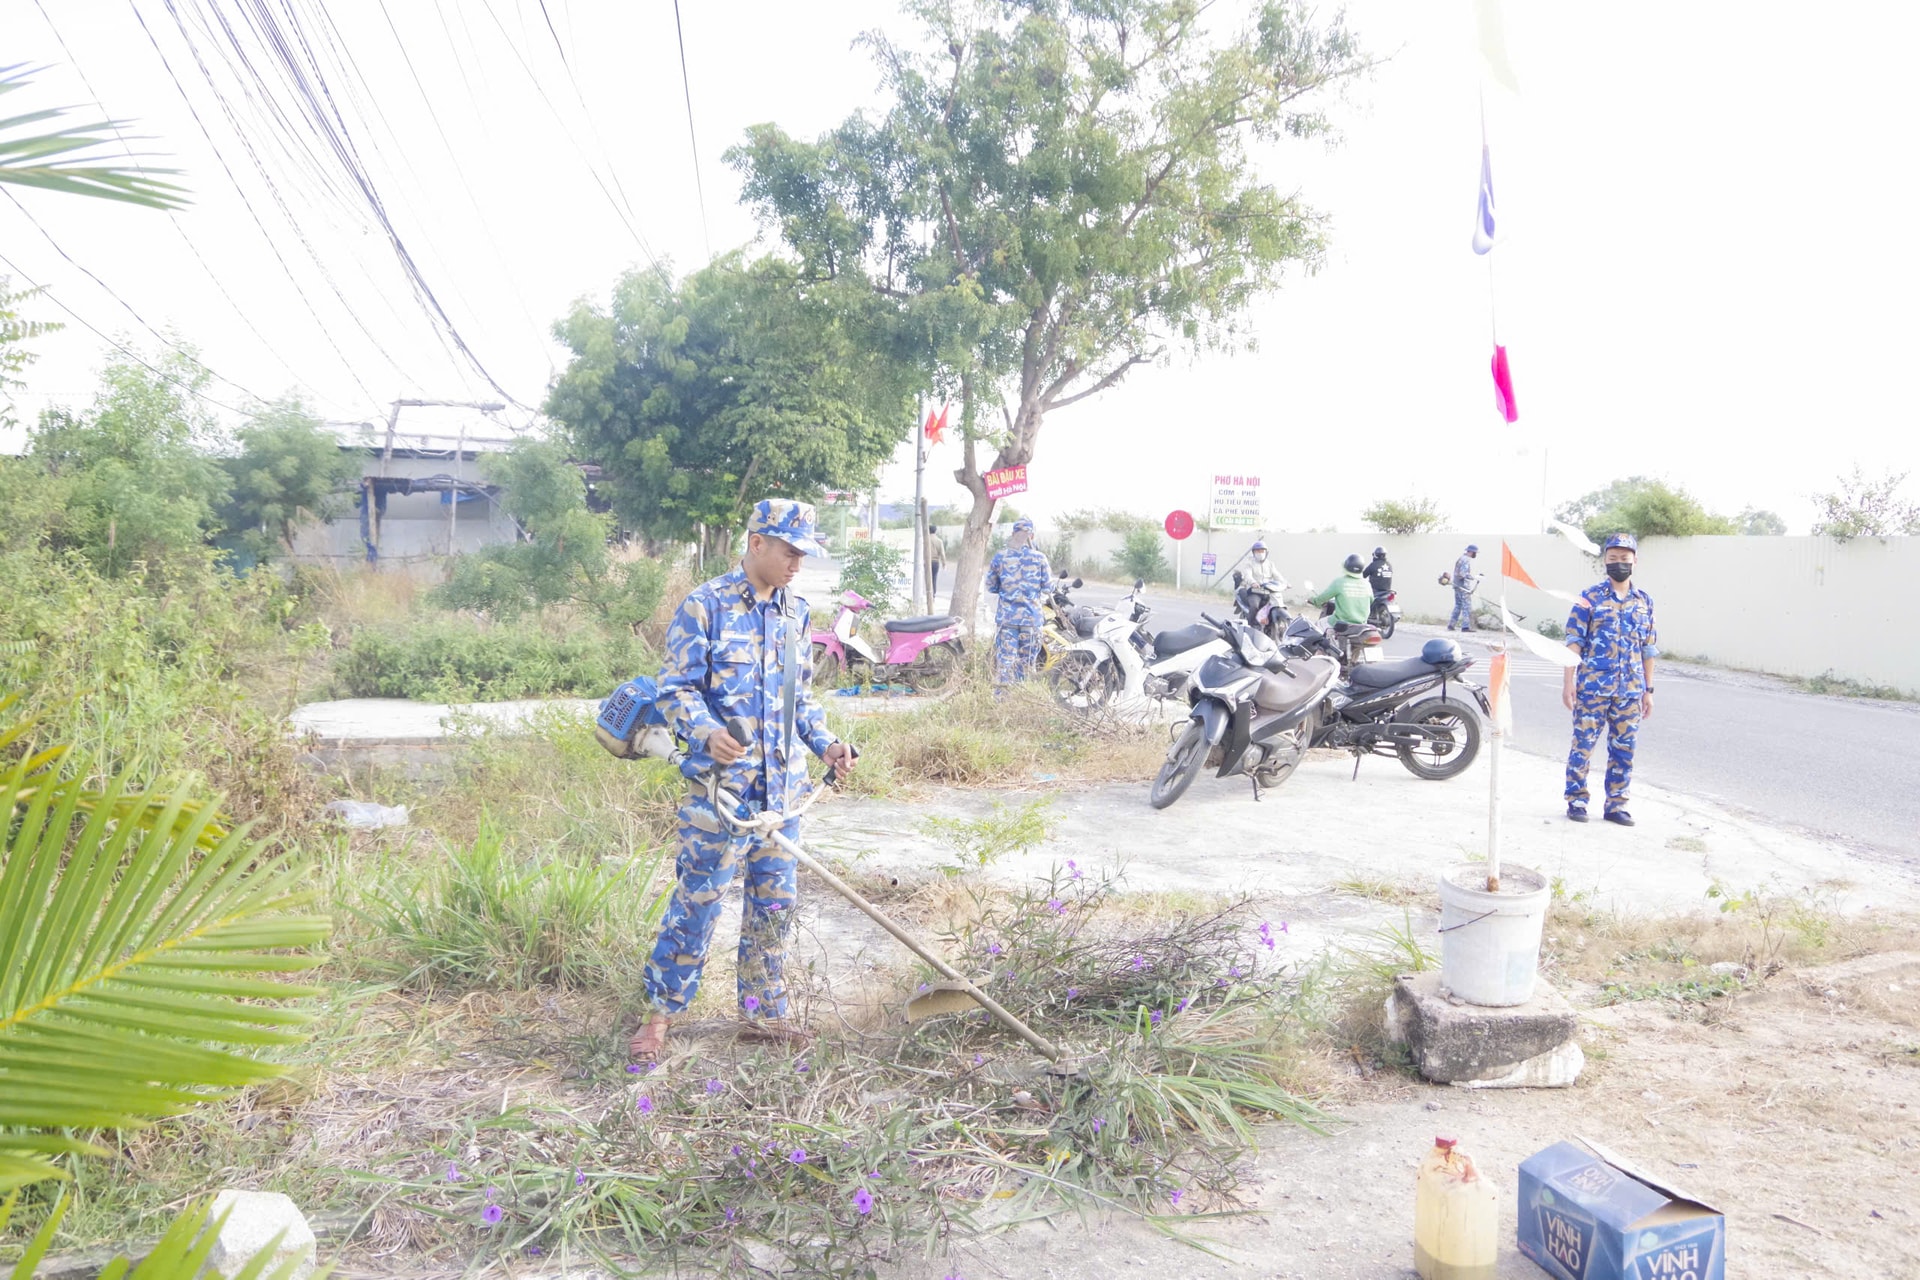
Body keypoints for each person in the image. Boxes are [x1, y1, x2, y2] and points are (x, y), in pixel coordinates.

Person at [629, 500, 857, 1060]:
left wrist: (827, 744)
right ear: (757, 544)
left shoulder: (794, 613)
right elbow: (675, 689)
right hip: (721, 794)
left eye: (804, 555)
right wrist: (706, 732)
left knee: (774, 908)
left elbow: (801, 699)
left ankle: (761, 1014)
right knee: (697, 903)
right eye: (789, 552)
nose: (797, 565)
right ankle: (659, 1017)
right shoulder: (704, 606)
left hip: (782, 796)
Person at [1562, 533, 1658, 826]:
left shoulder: (1644, 602)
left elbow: (1648, 649)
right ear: (1605, 560)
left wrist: (1649, 690)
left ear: (1635, 561)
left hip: (1630, 691)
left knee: (1624, 751)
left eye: (1624, 558)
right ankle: (1577, 800)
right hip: (1592, 688)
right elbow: (1574, 642)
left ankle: (1616, 805)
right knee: (1583, 746)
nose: (1619, 563)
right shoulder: (1589, 598)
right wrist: (1568, 683)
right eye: (1613, 558)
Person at [984, 517, 1052, 688]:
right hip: (1031, 620)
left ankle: (1001, 698)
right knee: (1026, 663)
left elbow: (991, 586)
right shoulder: (1040, 558)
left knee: (1005, 662)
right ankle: (1021, 696)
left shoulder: (1000, 557)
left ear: (1013, 534)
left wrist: (1007, 589)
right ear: (1032, 536)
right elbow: (1048, 587)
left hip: (1007, 619)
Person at [1309, 552, 1373, 624]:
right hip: (1362, 625)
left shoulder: (1339, 582)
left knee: (1319, 624)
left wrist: (1314, 601)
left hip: (1340, 623)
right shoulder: (1367, 584)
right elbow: (1371, 600)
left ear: (1346, 566)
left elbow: (1323, 598)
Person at [1447, 544, 1481, 631]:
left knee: (1458, 605)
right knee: (1466, 606)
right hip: (1463, 587)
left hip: (1457, 585)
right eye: (1475, 553)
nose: (1475, 554)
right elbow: (1462, 574)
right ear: (1471, 552)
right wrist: (1474, 577)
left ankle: (1451, 625)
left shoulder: (1461, 558)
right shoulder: (1466, 560)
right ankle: (1465, 627)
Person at [927, 525, 946, 601]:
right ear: (935, 531)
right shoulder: (939, 541)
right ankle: (933, 595)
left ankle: (928, 594)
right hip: (935, 562)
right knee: (934, 579)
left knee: (928, 579)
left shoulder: (926, 540)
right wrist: (944, 563)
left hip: (927, 562)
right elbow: (942, 553)